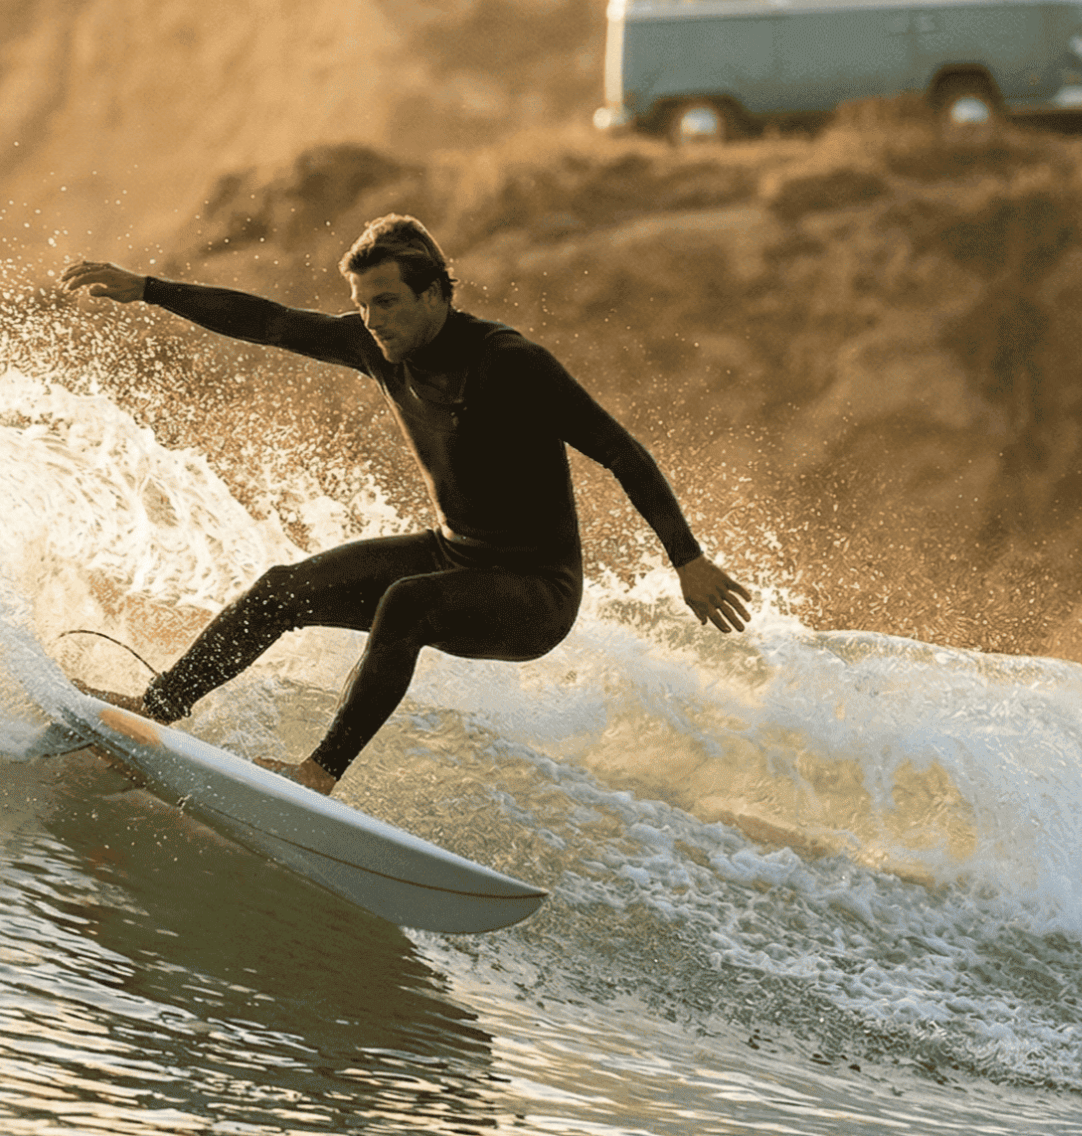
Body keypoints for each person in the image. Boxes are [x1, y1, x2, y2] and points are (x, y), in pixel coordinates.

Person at [59, 214, 751, 794]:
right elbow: (269, 321)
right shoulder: (375, 345)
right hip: (454, 553)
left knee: (407, 602)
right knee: (281, 590)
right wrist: (148, 289)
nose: (371, 319)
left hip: (536, 592)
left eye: (386, 301)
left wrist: (686, 559)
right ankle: (155, 709)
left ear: (435, 293)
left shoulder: (508, 361)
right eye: (361, 303)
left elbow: (620, 450)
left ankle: (318, 775)